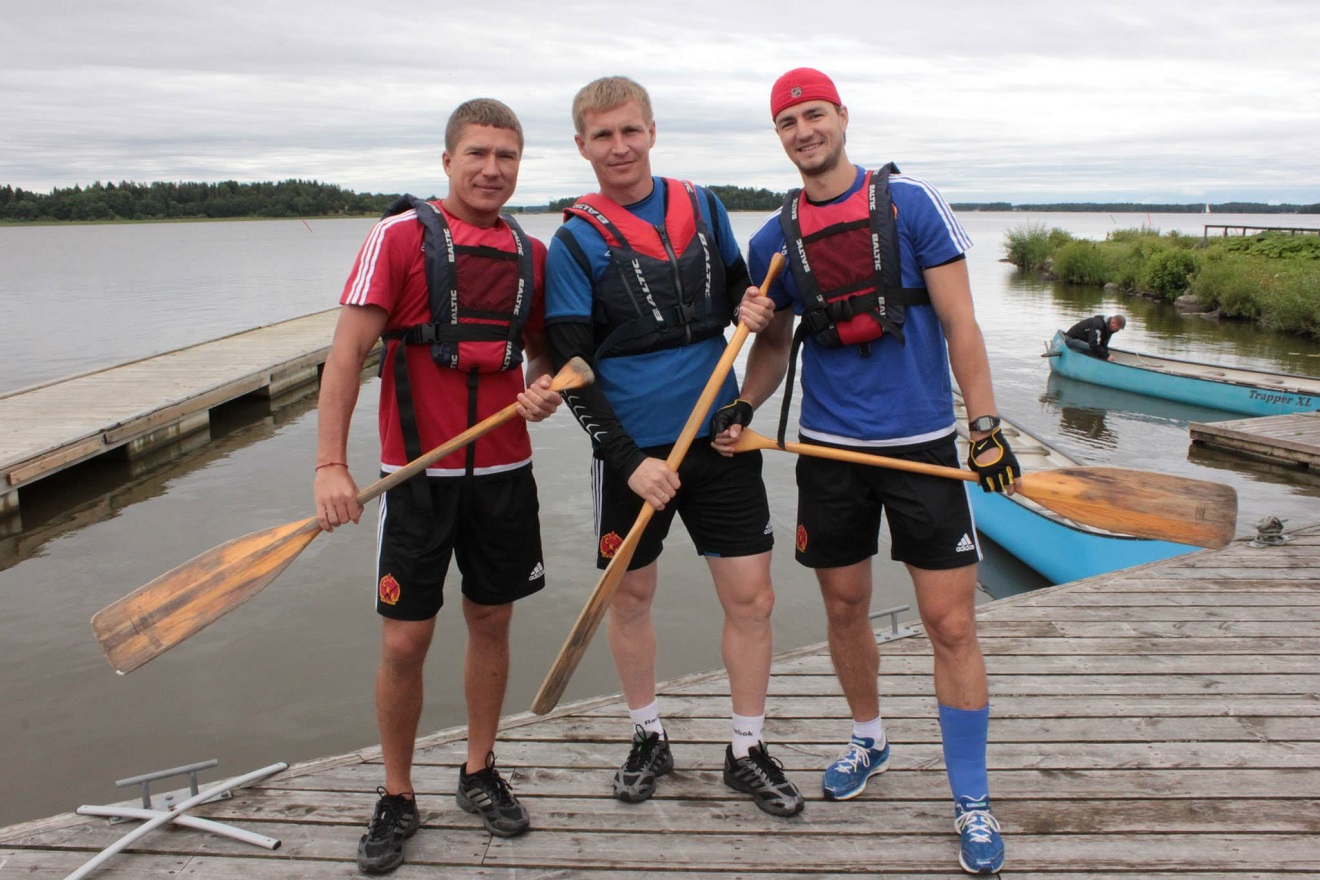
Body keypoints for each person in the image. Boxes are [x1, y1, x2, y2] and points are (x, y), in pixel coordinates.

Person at [715, 68, 1019, 874]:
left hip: (923, 447)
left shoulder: (911, 204)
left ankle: (971, 800)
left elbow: (961, 321)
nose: (803, 130)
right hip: (827, 451)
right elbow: (776, 348)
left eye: (814, 114)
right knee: (845, 608)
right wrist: (742, 406)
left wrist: (983, 427)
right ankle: (869, 739)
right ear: (779, 136)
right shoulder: (771, 240)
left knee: (951, 624)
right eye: (787, 121)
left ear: (842, 117)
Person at [313, 98, 564, 875]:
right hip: (415, 480)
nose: (493, 169)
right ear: (448, 160)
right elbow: (347, 354)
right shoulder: (398, 238)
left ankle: (479, 770)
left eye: (508, 156)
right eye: (479, 154)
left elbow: (544, 358)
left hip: (504, 475)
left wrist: (542, 388)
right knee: (405, 640)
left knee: (491, 623)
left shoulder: (534, 254)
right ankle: (396, 792)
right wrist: (331, 464)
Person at [544, 75, 804, 818]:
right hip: (633, 452)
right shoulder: (573, 241)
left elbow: (737, 302)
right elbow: (569, 372)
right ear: (583, 146)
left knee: (752, 597)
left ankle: (747, 749)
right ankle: (647, 734)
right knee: (631, 597)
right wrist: (631, 462)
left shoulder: (705, 207)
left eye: (630, 130)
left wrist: (751, 309)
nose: (619, 147)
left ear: (651, 131)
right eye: (603, 135)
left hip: (719, 438)